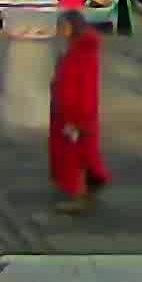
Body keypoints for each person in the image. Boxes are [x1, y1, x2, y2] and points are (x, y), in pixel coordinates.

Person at [47, 13, 110, 215]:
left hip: (75, 115)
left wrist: (75, 119)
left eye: (63, 27)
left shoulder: (81, 54)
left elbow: (82, 89)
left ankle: (80, 197)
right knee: (81, 155)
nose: (60, 31)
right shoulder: (76, 50)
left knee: (75, 158)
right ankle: (87, 189)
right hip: (70, 113)